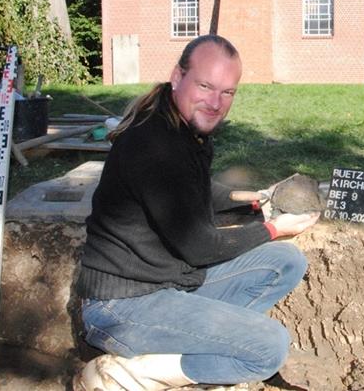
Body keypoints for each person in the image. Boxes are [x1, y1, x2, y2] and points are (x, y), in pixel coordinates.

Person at [73, 35, 319, 391]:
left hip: (167, 282)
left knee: (286, 262)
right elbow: (199, 246)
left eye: (228, 92)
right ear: (178, 76)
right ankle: (134, 375)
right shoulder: (154, 145)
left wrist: (254, 198)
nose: (216, 102)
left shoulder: (182, 128)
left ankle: (211, 349)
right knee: (269, 348)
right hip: (121, 307)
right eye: (205, 85)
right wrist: (272, 228)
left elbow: (196, 192)